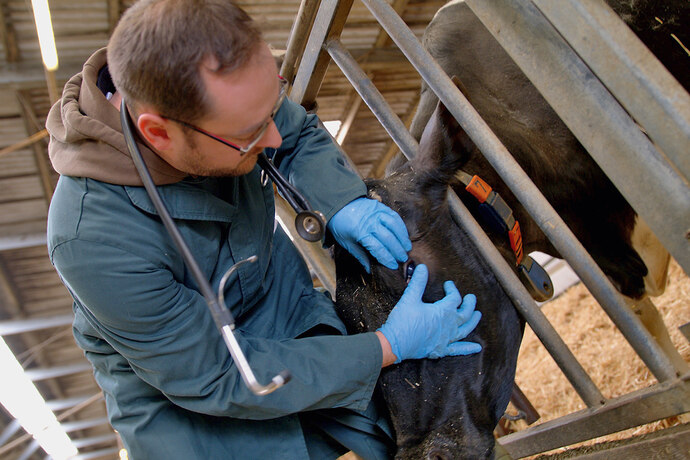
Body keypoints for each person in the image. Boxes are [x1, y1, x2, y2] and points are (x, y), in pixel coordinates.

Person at [46, 1, 482, 458]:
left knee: (404, 427)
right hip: (193, 398)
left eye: (272, 108)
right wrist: (386, 348)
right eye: (252, 134)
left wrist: (343, 202)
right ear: (158, 133)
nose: (273, 137)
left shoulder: (212, 100)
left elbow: (292, 135)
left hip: (282, 307)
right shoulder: (90, 240)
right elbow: (216, 375)